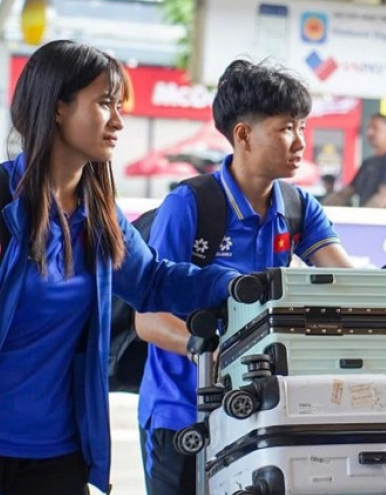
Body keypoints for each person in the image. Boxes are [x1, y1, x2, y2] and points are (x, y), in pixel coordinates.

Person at [0, 40, 242, 495]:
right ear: (58, 107)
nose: (118, 121)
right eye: (104, 104)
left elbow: (153, 282)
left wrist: (237, 285)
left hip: (59, 458)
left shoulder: (99, 214)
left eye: (119, 106)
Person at [135, 59, 352, 495]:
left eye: (303, 127)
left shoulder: (297, 207)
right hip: (182, 415)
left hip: (260, 412)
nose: (300, 143)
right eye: (286, 128)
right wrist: (218, 357)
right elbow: (148, 320)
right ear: (243, 135)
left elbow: (345, 284)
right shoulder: (191, 205)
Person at [324, 113, 386, 208]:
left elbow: (384, 197)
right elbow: (346, 193)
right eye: (369, 128)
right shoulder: (368, 163)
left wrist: (361, 217)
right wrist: (322, 208)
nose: (370, 132)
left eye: (375, 128)